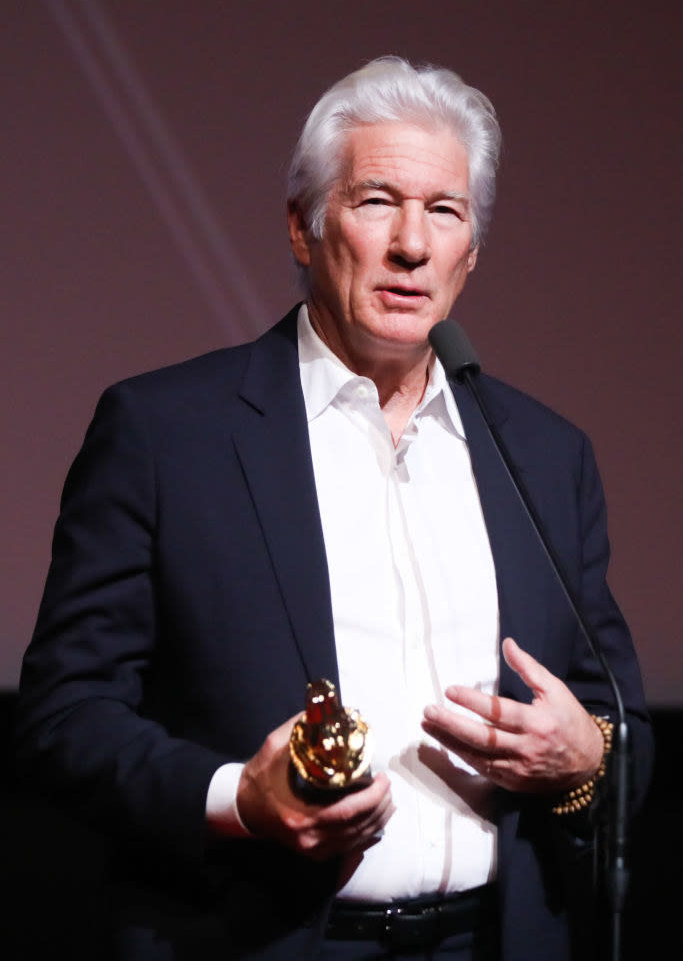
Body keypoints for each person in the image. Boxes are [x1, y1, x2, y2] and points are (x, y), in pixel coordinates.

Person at [14, 57, 653, 961]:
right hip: (260, 939)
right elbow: (63, 714)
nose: (410, 245)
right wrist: (238, 799)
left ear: (469, 251)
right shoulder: (167, 433)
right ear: (303, 229)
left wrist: (586, 758)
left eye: (444, 211)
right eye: (375, 200)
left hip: (500, 942)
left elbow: (614, 719)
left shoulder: (545, 454)